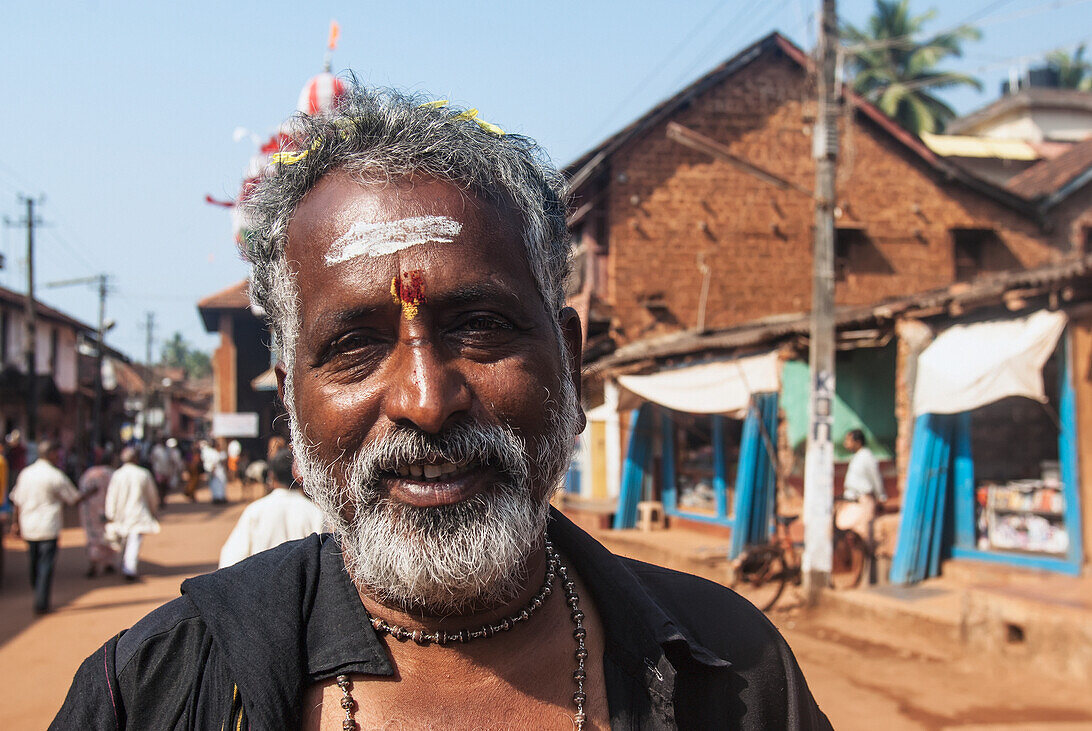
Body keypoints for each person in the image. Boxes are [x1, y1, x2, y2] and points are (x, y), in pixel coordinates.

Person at [54, 86, 830, 729]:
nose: (427, 401)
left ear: (570, 359)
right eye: (355, 344)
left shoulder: (734, 672)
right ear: (291, 403)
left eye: (482, 326)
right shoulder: (154, 691)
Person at [218, 447, 324, 568]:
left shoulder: (255, 511)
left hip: (260, 584)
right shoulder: (315, 513)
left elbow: (231, 559)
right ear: (300, 476)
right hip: (304, 586)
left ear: (271, 476)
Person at [9, 440, 78, 614]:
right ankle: (41, 601)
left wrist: (15, 523)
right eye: (57, 453)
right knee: (45, 566)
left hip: (29, 527)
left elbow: (17, 501)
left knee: (34, 563)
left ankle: (39, 596)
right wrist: (90, 494)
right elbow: (73, 498)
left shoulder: (26, 473)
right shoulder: (55, 475)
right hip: (48, 527)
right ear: (51, 454)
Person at [104, 447, 161, 582]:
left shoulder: (118, 474)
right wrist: (153, 510)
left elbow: (111, 495)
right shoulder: (143, 474)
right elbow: (152, 495)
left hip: (122, 514)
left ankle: (128, 567)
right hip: (137, 513)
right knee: (133, 541)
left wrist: (110, 512)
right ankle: (129, 567)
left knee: (127, 540)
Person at [837, 429, 887, 539]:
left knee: (863, 534)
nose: (846, 444)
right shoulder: (856, 457)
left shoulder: (867, 456)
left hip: (864, 500)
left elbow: (875, 477)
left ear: (857, 442)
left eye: (849, 440)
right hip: (852, 500)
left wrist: (881, 496)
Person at [77, 450, 117, 578]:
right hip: (108, 511)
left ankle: (94, 563)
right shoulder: (112, 474)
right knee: (108, 536)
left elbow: (81, 491)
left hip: (89, 511)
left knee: (92, 536)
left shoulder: (89, 473)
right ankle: (107, 563)